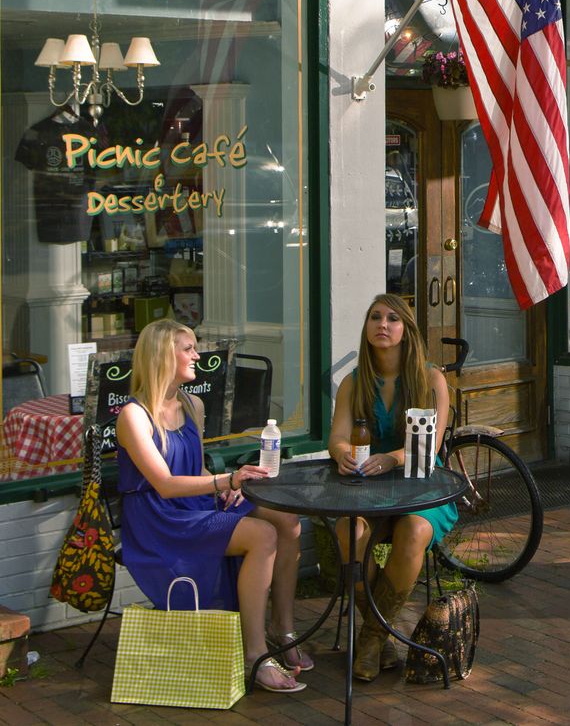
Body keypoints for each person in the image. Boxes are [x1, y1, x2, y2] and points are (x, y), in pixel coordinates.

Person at [115, 320, 306, 694]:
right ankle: (256, 654)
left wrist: (224, 490)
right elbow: (166, 485)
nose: (197, 355)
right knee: (261, 535)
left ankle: (282, 627)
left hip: (197, 505)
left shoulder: (192, 403)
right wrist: (227, 480)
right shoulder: (134, 416)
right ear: (161, 354)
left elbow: (195, 467)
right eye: (187, 348)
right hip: (161, 521)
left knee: (283, 518)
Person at [328, 294, 457, 680]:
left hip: (419, 486)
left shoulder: (430, 378)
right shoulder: (355, 381)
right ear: (366, 328)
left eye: (392, 319)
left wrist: (392, 458)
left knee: (413, 530)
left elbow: (431, 447)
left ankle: (368, 640)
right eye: (375, 317)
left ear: (407, 330)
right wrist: (341, 455)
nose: (382, 325)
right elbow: (336, 437)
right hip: (369, 488)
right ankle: (380, 639)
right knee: (347, 530)